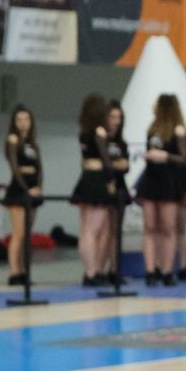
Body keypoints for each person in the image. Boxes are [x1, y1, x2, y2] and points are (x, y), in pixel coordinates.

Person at [134, 94, 186, 287]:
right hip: (151, 180)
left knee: (168, 227)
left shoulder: (178, 130)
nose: (153, 106)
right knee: (150, 227)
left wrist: (165, 156)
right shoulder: (152, 128)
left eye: (157, 103)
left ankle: (167, 270)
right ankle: (151, 269)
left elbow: (184, 159)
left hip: (168, 181)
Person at [70, 93, 114, 287]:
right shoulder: (99, 132)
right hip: (97, 179)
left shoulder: (83, 132)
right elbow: (106, 159)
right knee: (93, 229)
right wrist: (111, 177)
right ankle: (91, 271)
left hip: (85, 178)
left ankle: (91, 270)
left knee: (85, 228)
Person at [2, 105, 43, 285]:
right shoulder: (12, 140)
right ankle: (14, 272)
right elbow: (14, 167)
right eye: (19, 120)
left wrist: (38, 188)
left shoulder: (33, 143)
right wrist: (26, 189)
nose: (23, 123)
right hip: (18, 189)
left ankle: (25, 272)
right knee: (18, 233)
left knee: (27, 234)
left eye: (26, 119)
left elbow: (40, 168)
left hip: (33, 189)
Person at [101, 100, 131, 283]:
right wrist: (114, 165)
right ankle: (98, 268)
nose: (116, 121)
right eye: (112, 117)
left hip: (120, 186)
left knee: (116, 231)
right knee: (103, 230)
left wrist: (116, 165)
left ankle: (114, 269)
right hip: (104, 185)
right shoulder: (100, 139)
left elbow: (125, 165)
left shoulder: (121, 142)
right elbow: (105, 164)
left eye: (118, 117)